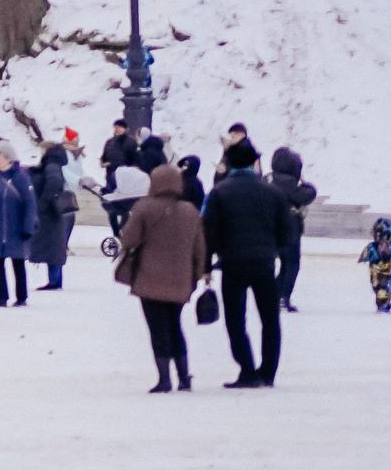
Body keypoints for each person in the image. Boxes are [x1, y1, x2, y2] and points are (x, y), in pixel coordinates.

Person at [202, 137, 290, 388]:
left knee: (236, 320)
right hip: (264, 263)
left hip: (233, 264)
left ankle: (248, 370)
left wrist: (207, 266)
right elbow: (286, 232)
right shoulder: (272, 192)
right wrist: (273, 248)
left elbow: (210, 232)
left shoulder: (219, 193)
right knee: (270, 319)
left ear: (228, 163)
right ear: (254, 162)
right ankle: (268, 372)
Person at [114, 163, 209, 392]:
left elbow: (128, 240)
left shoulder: (144, 207)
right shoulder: (190, 211)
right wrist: (196, 277)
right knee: (175, 326)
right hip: (180, 281)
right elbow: (200, 249)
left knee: (158, 329)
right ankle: (184, 377)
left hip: (149, 279)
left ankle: (164, 379)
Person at [0, 143, 36, 307]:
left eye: (0, 156)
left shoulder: (20, 177)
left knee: (17, 262)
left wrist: (27, 226)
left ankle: (21, 297)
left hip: (15, 228)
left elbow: (30, 204)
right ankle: (0, 297)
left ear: (9, 159)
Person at [269, 146, 317, 310]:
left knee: (273, 262)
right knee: (291, 263)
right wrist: (305, 182)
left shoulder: (267, 179)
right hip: (290, 229)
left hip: (269, 227)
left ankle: (272, 294)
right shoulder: (291, 184)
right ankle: (282, 296)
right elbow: (308, 194)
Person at [31, 137, 77, 290]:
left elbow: (53, 182)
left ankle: (54, 281)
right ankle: (55, 280)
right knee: (55, 247)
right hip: (55, 213)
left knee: (53, 247)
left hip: (51, 213)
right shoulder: (54, 163)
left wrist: (43, 203)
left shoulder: (51, 164)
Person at [361, 217, 391, 310]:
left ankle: (384, 301)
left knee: (387, 287)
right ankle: (382, 300)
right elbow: (365, 256)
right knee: (380, 287)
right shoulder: (372, 248)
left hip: (388, 274)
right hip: (377, 274)